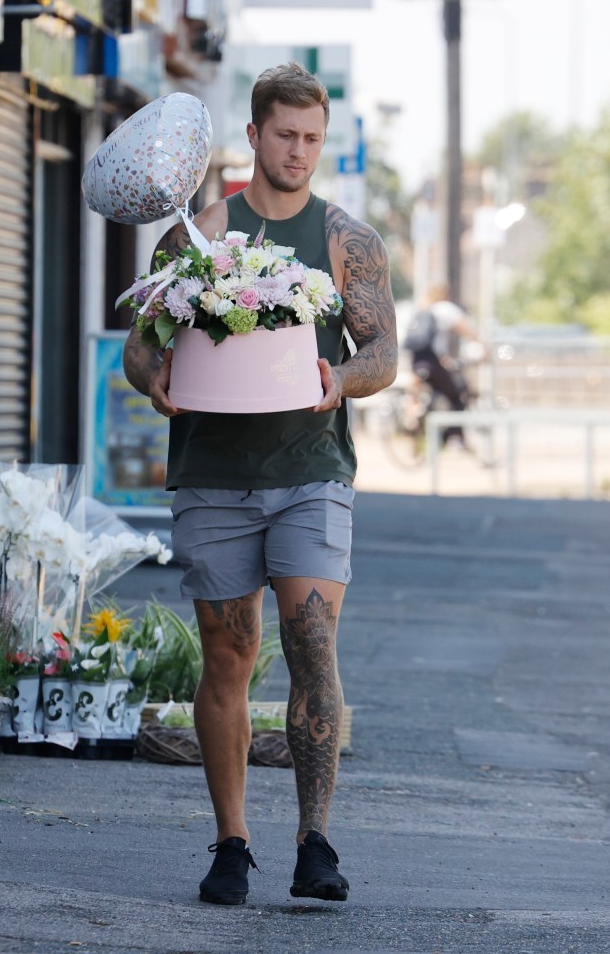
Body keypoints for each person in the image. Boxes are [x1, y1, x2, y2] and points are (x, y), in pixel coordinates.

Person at [123, 62, 398, 905]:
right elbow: (141, 344)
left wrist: (340, 382)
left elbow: (381, 351)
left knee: (312, 644)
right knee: (228, 654)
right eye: (285, 135)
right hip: (212, 472)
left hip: (311, 469)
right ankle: (231, 842)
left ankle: (315, 841)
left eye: (313, 138)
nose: (299, 152)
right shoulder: (197, 234)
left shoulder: (346, 239)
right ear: (253, 135)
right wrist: (150, 378)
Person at [404, 284, 482, 445]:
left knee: (418, 393)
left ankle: (415, 415)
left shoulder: (421, 309)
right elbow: (467, 330)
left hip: (417, 360)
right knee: (456, 396)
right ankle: (454, 437)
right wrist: (482, 345)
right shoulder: (445, 308)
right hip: (434, 361)